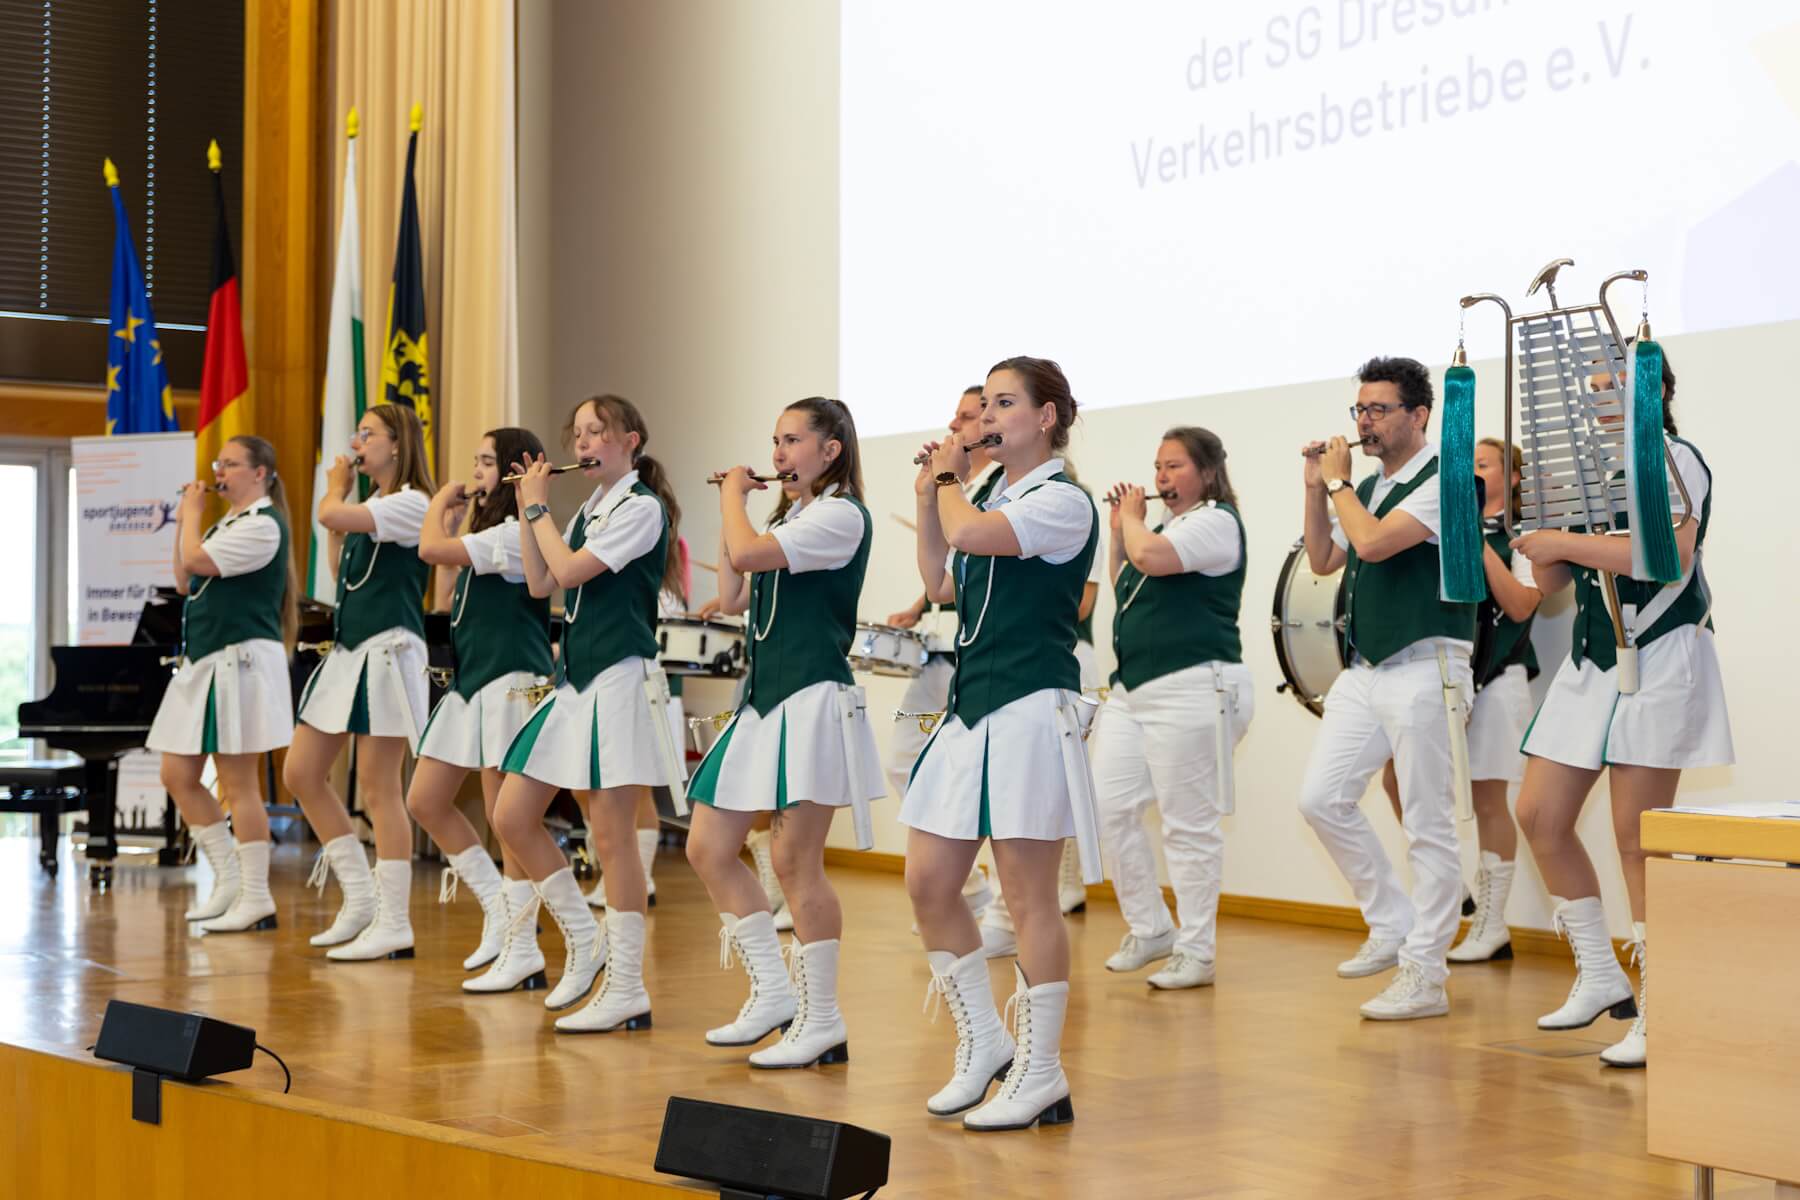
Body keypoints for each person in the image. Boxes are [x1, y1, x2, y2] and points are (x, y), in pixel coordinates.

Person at [1510, 350, 1730, 1068]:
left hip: (1659, 652)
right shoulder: (1594, 470)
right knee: (1539, 815)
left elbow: (1667, 557)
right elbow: (1553, 582)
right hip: (1594, 659)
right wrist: (1541, 528)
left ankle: (1664, 1007)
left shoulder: (1674, 459)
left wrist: (1564, 538)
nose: (1601, 399)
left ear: (1655, 391)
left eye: (1616, 386)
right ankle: (1601, 974)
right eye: (1594, 389)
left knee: (1638, 838)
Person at [903, 356, 1097, 1131]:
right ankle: (984, 1042)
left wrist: (950, 480)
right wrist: (929, 497)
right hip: (972, 708)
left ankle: (1041, 1072)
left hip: (1029, 708)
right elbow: (942, 583)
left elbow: (972, 536)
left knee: (1027, 897)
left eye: (1004, 403)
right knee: (928, 883)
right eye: (983, 405)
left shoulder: (1063, 501)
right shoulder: (986, 496)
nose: (986, 418)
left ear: (1046, 417)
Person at [684, 396, 883, 1069]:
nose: (777, 454)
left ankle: (821, 1018)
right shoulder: (792, 518)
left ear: (831, 450)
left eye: (792, 441)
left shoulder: (840, 516)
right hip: (764, 703)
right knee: (708, 846)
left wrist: (731, 503)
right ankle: (773, 992)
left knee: (796, 862)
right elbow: (735, 594)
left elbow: (746, 552)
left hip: (811, 701)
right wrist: (733, 509)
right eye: (775, 441)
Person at [492, 394, 685, 1032]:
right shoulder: (588, 510)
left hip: (620, 682)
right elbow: (539, 582)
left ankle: (627, 985)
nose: (582, 444)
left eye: (597, 431)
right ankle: (583, 937)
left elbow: (572, 572)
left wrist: (538, 508)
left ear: (631, 440)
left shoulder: (641, 508)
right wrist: (529, 511)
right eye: (576, 433)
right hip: (576, 685)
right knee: (511, 815)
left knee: (612, 837)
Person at [1296, 356, 1477, 1020]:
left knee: (1429, 824)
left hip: (1428, 666)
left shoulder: (1446, 479)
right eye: (1360, 410)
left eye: (1378, 410)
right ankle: (1393, 922)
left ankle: (1426, 973)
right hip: (1367, 669)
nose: (1365, 422)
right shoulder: (1367, 487)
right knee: (1321, 799)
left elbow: (1372, 545)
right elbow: (1324, 559)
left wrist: (1339, 482)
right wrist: (1316, 489)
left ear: (1419, 415)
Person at [1092, 427, 1253, 990]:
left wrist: (1132, 523)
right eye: (1158, 466)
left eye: (1175, 466)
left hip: (1194, 686)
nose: (1160, 477)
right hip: (1134, 691)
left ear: (1207, 473)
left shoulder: (1217, 521)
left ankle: (1197, 950)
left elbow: (1151, 559)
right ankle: (1151, 928)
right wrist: (1119, 532)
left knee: (1189, 825)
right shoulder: (1161, 529)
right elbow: (1128, 582)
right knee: (1108, 806)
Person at [1378, 438, 1542, 962]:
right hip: (1445, 676)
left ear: (1512, 478)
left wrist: (1476, 540)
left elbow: (1522, 605)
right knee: (1396, 777)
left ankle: (1492, 925)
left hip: (1498, 677)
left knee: (1489, 799)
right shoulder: (1437, 525)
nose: (1469, 471)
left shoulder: (1524, 536)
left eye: (1482, 464)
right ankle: (1451, 885)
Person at [405, 427, 556, 990]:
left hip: (510, 680)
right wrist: (450, 526)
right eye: (476, 460)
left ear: (515, 470)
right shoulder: (488, 535)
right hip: (474, 682)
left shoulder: (518, 532)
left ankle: (523, 948)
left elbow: (427, 551)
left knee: (506, 820)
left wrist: (436, 510)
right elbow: (446, 599)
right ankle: (499, 910)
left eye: (487, 461)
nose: (475, 472)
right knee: (425, 799)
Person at [284, 404, 434, 958]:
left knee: (379, 785)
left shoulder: (412, 502)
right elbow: (339, 568)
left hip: (389, 651)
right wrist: (341, 506)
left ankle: (394, 920)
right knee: (301, 771)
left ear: (397, 444)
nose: (356, 443)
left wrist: (334, 492)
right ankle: (360, 897)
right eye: (358, 434)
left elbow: (329, 515)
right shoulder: (371, 506)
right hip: (350, 651)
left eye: (367, 434)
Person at [148, 435, 298, 934]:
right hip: (207, 661)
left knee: (238, 783)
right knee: (177, 773)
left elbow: (196, 562)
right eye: (220, 463)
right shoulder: (228, 524)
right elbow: (184, 580)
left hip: (241, 662)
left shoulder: (263, 525)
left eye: (231, 464)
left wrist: (192, 516)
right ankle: (229, 881)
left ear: (260, 474)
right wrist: (183, 520)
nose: (220, 472)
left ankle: (256, 896)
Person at [886, 386, 1004, 926]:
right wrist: (917, 607)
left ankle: (987, 901)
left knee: (987, 785)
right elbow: (947, 576)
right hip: (937, 653)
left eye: (966, 416)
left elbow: (972, 547)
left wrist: (945, 484)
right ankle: (967, 887)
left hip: (978, 659)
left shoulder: (996, 491)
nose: (954, 425)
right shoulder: (963, 486)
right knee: (902, 759)